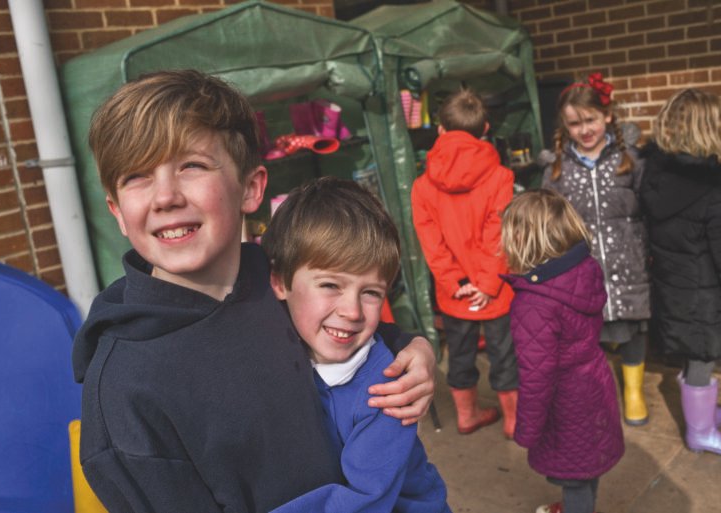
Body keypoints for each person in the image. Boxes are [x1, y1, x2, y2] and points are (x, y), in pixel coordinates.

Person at [71, 69, 437, 513]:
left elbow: (343, 323)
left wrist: (412, 349)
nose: (165, 196)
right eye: (137, 176)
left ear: (251, 188)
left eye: (191, 165)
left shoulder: (273, 278)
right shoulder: (124, 394)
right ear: (118, 213)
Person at [261, 177, 451, 513]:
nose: (351, 311)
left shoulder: (387, 392)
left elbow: (364, 502)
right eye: (331, 284)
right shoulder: (267, 337)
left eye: (371, 293)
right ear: (279, 281)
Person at [640, 88, 721, 455]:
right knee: (702, 358)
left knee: (695, 356)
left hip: (676, 289)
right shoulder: (714, 192)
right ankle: (700, 431)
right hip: (704, 298)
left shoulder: (655, 176)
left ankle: (705, 414)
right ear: (708, 132)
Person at [501, 189, 624, 513]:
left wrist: (527, 429)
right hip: (594, 380)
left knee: (575, 477)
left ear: (520, 240)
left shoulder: (533, 304)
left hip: (566, 400)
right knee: (587, 462)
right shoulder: (584, 269)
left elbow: (537, 375)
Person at [542, 72, 651, 426]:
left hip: (629, 262)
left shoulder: (630, 160)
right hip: (583, 270)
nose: (584, 129)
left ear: (606, 115)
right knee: (590, 338)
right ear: (565, 126)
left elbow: (650, 207)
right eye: (575, 124)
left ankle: (633, 391)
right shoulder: (557, 171)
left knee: (633, 330)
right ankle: (598, 392)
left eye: (590, 119)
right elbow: (552, 225)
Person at [411, 88, 518, 438]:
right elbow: (498, 234)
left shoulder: (422, 186)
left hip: (454, 292)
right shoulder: (501, 177)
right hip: (497, 288)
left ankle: (467, 416)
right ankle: (515, 423)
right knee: (505, 354)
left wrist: (457, 282)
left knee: (459, 354)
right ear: (485, 128)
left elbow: (432, 244)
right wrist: (487, 284)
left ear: (441, 130)